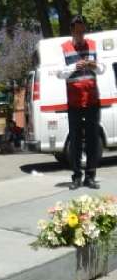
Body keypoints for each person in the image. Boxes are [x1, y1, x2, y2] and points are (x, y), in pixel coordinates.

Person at [57, 15, 103, 190]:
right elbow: (59, 73)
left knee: (92, 139)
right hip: (74, 102)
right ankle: (76, 177)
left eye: (83, 31)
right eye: (77, 31)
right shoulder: (64, 48)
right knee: (75, 140)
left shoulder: (92, 45)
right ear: (72, 31)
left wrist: (94, 65)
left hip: (92, 100)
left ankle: (90, 176)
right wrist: (75, 66)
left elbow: (102, 69)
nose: (80, 34)